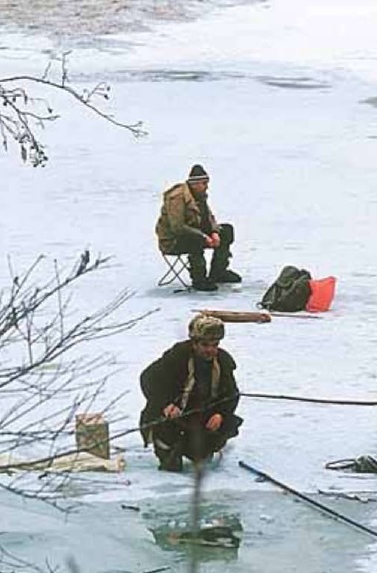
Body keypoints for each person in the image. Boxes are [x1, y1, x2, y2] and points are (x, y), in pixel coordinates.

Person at [139, 314, 243, 472]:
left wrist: (220, 414)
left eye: (215, 345)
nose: (210, 350)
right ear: (194, 343)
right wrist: (166, 404)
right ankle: (167, 450)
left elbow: (231, 394)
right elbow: (148, 379)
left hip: (201, 416)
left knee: (208, 445)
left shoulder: (223, 361)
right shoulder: (176, 357)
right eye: (205, 345)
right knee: (170, 454)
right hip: (172, 416)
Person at [155, 164, 242, 291]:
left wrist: (214, 232)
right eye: (204, 183)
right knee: (195, 239)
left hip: (197, 232)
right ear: (194, 184)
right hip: (173, 240)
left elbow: (209, 217)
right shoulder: (176, 198)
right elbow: (178, 228)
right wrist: (203, 236)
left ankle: (219, 272)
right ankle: (199, 279)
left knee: (226, 230)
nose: (207, 186)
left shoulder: (199, 195)